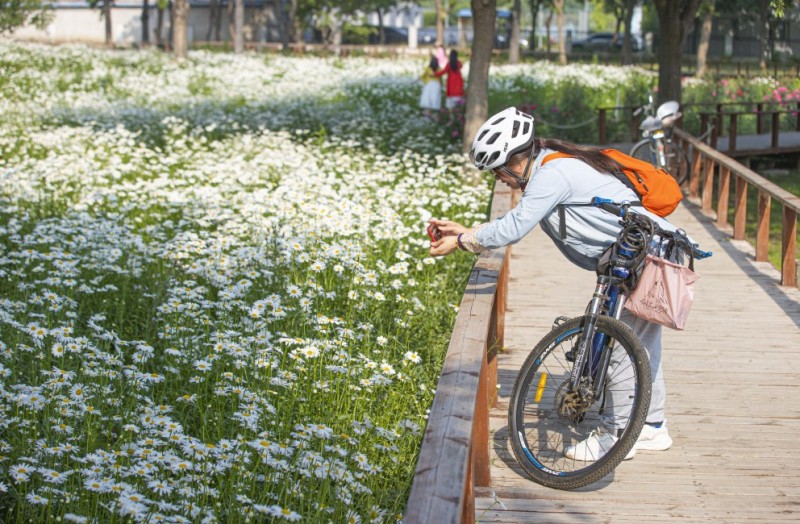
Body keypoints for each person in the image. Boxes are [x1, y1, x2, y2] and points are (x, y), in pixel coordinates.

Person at [428, 106, 678, 461]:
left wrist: (463, 241)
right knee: (640, 342)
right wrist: (467, 232)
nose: (498, 179)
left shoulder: (551, 174)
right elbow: (517, 219)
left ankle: (617, 435)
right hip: (645, 252)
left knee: (620, 345)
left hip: (639, 256)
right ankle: (652, 427)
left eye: (497, 170)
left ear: (514, 162)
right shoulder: (550, 165)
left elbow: (513, 227)